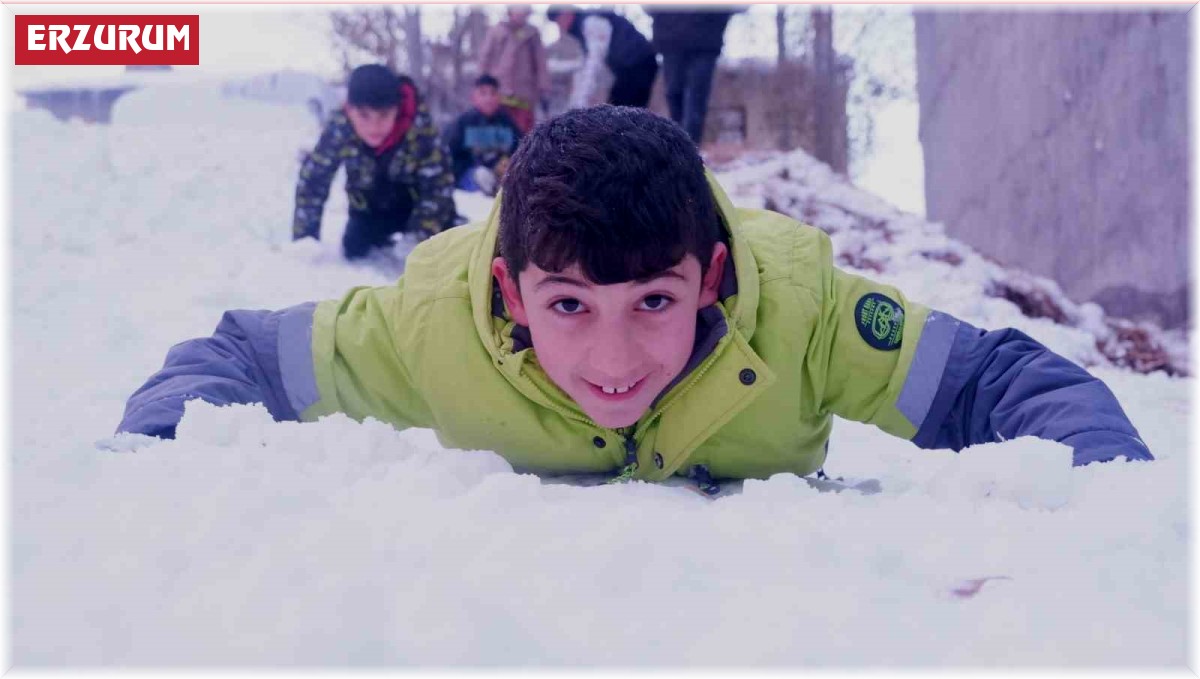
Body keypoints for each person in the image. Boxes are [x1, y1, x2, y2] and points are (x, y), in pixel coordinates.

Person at [118, 106, 1152, 489]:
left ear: (707, 276)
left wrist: (1112, 506)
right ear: (508, 293)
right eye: (568, 305)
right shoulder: (428, 328)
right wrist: (148, 468)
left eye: (654, 302)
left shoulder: (805, 314)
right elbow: (241, 357)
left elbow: (999, 384)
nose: (614, 363)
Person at [293, 64, 457, 260]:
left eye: (384, 115)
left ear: (397, 109)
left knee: (448, 252)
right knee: (354, 248)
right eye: (364, 115)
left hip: (417, 206)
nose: (374, 126)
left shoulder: (420, 127)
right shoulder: (340, 126)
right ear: (349, 109)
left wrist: (420, 233)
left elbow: (439, 184)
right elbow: (314, 179)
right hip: (370, 208)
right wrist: (305, 238)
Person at [645, 6, 740, 145]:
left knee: (696, 100)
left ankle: (690, 150)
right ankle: (679, 147)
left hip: (705, 40)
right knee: (673, 93)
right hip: (670, 38)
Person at [547, 6, 658, 109]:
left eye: (558, 20)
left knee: (622, 111)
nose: (560, 26)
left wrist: (581, 103)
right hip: (632, 65)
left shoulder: (592, 22)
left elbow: (594, 62)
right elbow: (586, 64)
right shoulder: (583, 26)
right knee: (623, 108)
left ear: (566, 12)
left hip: (637, 64)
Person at [477, 5, 551, 135]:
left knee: (523, 134)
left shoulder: (532, 33)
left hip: (524, 94)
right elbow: (485, 58)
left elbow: (541, 64)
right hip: (500, 92)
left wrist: (543, 88)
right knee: (499, 133)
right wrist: (481, 85)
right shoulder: (497, 31)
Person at [445, 75, 523, 197]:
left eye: (493, 93)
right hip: (471, 181)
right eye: (483, 93)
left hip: (504, 179)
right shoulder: (462, 124)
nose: (489, 98)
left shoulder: (508, 124)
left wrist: (509, 163)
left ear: (499, 97)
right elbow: (450, 158)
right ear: (474, 97)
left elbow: (521, 151)